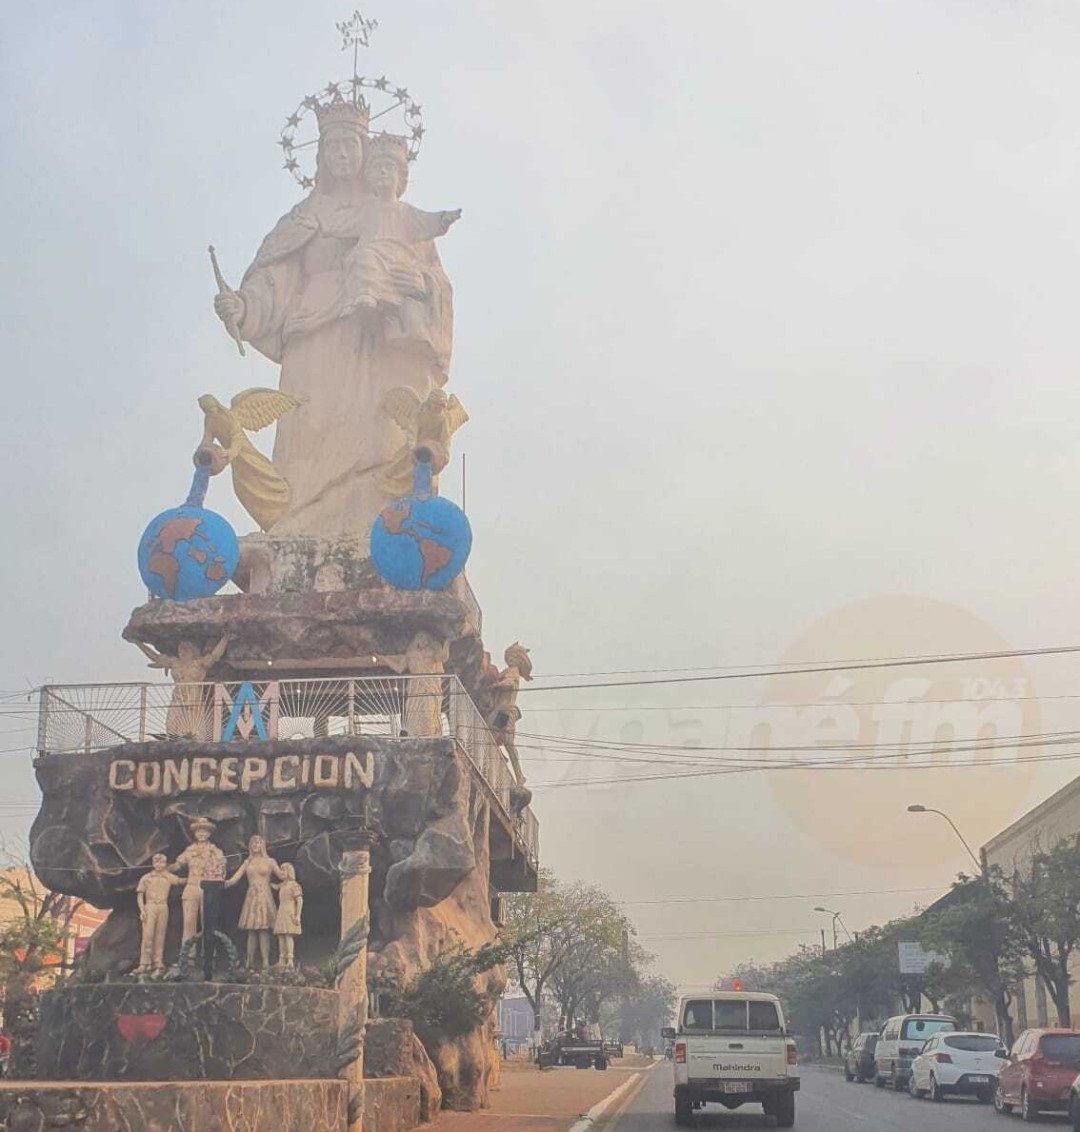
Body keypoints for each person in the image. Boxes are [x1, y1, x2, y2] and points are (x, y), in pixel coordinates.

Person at [212, 102, 460, 540]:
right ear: (320, 155)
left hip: (378, 334)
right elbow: (277, 277)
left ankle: (384, 529)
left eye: (351, 144)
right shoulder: (305, 217)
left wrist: (417, 282)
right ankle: (297, 527)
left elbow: (435, 281)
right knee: (310, 429)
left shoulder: (395, 214)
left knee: (379, 432)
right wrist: (246, 307)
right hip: (315, 336)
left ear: (365, 151)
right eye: (333, 146)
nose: (343, 154)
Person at [169, 817, 227, 979]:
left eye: (205, 831)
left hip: (208, 887)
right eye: (198, 831)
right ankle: (188, 957)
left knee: (209, 922)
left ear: (209, 833)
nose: (202, 834)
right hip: (192, 886)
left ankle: (209, 957)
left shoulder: (215, 850)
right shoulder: (189, 851)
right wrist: (163, 869)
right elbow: (177, 865)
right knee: (189, 923)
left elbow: (222, 866)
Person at [225, 835, 284, 969]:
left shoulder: (270, 861)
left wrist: (285, 881)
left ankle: (265, 962)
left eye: (258, 842)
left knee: (264, 929)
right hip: (251, 896)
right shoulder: (247, 862)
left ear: (262, 845)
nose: (255, 845)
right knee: (251, 930)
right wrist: (225, 882)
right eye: (253, 843)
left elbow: (282, 876)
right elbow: (235, 878)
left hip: (264, 896)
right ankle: (249, 962)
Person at [135, 853, 182, 972]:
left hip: (163, 906)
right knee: (148, 935)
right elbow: (140, 895)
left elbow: (180, 881)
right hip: (150, 906)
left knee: (160, 935)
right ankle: (144, 962)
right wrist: (142, 910)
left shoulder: (168, 876)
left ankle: (158, 961)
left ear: (165, 863)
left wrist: (195, 877)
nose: (159, 864)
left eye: (162, 862)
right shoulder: (146, 877)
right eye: (157, 862)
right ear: (153, 863)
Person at [273, 862, 304, 968]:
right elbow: (276, 886)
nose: (282, 872)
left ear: (289, 872)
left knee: (288, 935)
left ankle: (290, 960)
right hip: (281, 911)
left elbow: (299, 900)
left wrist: (298, 915)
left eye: (284, 870)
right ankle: (282, 959)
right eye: (281, 870)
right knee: (281, 935)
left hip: (290, 911)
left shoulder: (294, 885)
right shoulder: (282, 885)